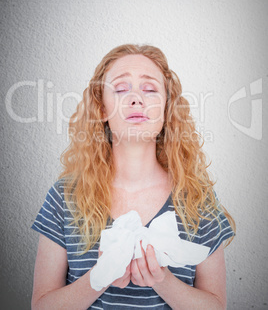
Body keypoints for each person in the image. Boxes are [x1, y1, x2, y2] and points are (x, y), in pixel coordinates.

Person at [31, 44, 235, 309]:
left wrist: (162, 280)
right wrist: (99, 278)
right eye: (120, 89)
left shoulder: (198, 198)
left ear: (166, 109)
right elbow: (41, 306)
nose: (136, 98)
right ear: (102, 109)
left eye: (150, 90)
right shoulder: (64, 197)